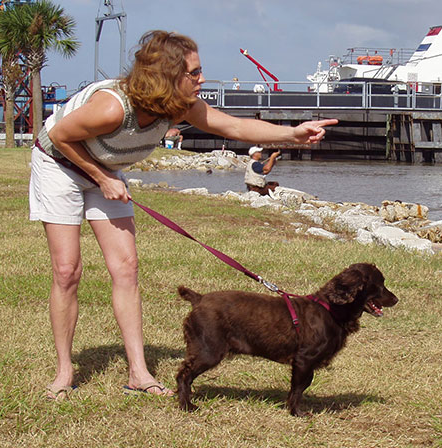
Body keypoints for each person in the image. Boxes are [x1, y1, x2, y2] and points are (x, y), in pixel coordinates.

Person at [29, 30, 337, 400]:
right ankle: (64, 372)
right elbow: (59, 136)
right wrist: (99, 176)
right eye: (194, 73)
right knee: (67, 271)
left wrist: (293, 134)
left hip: (105, 169)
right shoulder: (112, 106)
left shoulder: (179, 106)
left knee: (126, 267)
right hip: (60, 164)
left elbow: (234, 127)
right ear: (166, 75)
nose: (202, 79)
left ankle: (138, 373)